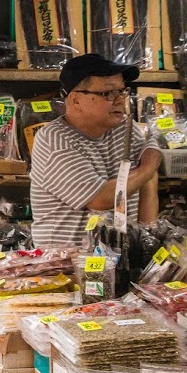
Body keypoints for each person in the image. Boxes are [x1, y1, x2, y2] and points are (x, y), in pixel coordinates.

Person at [30, 54, 162, 248]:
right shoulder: (54, 140)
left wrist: (147, 240)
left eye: (122, 91)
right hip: (66, 263)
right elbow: (100, 199)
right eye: (108, 93)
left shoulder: (126, 128)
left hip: (121, 255)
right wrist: (148, 167)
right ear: (75, 100)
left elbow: (148, 181)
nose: (119, 100)